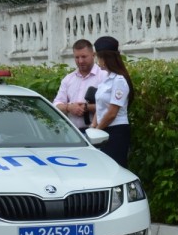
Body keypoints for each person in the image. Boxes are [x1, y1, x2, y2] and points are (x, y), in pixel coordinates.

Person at [90, 36, 133, 168]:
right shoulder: (107, 78)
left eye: (99, 57)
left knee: (115, 168)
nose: (98, 61)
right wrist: (92, 127)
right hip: (104, 129)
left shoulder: (119, 80)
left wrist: (97, 130)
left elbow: (112, 113)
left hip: (116, 131)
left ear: (106, 58)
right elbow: (100, 106)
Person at [53, 39, 108, 131]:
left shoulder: (104, 76)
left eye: (84, 56)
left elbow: (110, 107)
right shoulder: (68, 79)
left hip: (99, 131)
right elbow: (56, 105)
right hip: (73, 133)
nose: (80, 61)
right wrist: (69, 107)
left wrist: (87, 108)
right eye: (77, 57)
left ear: (93, 55)